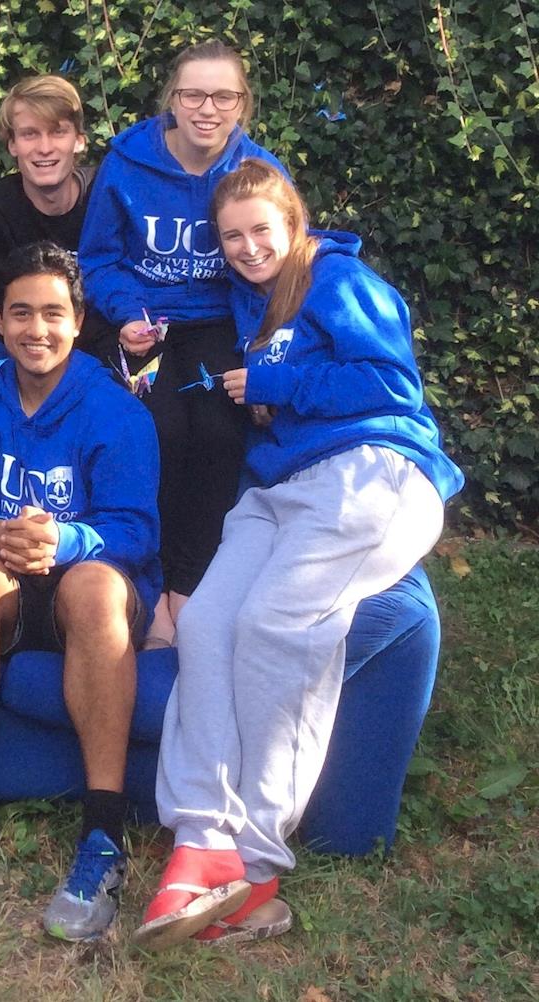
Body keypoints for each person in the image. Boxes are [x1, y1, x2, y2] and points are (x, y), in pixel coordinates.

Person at [133, 159, 463, 951]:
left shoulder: (339, 280)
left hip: (372, 471)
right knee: (207, 624)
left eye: (261, 231)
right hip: (277, 489)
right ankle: (202, 842)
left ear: (294, 224)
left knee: (277, 624)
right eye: (231, 237)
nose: (248, 248)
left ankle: (254, 866)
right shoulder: (246, 299)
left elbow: (392, 385)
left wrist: (276, 381)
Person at [0, 242, 161, 941]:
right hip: (6, 581)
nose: (38, 329)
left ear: (78, 320)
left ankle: (104, 832)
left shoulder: (115, 410)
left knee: (93, 588)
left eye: (54, 314)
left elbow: (135, 530)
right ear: (0, 321)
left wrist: (64, 540)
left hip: (87, 585)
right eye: (22, 313)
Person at [79, 40, 288, 648]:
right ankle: (150, 583)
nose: (207, 109)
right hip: (146, 321)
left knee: (221, 431)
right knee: (156, 428)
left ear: (243, 103)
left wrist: (259, 349)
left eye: (224, 96)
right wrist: (125, 314)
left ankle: (190, 588)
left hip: (223, 323)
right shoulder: (127, 162)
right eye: (194, 94)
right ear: (172, 98)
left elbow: (277, 267)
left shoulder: (258, 170)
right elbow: (98, 258)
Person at [0, 74, 116, 359]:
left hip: (108, 349)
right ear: (12, 145)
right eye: (30, 134)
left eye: (58, 132)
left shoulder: (106, 196)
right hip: (26, 355)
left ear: (79, 141)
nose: (44, 148)